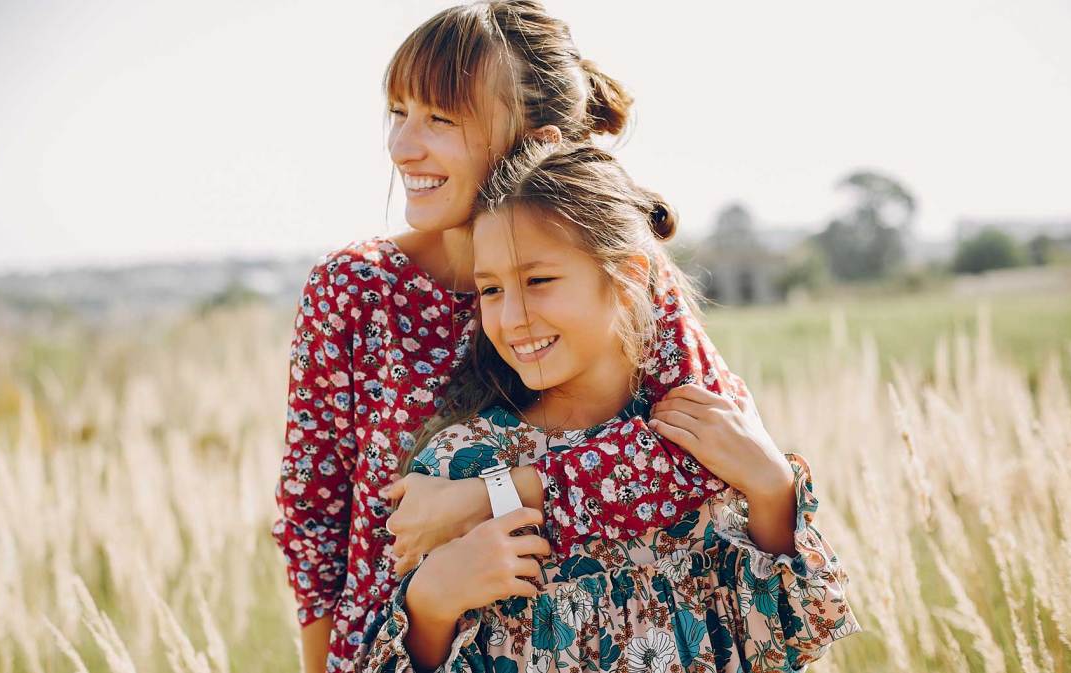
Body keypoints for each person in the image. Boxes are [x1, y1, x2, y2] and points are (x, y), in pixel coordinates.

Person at [273, 3, 749, 672]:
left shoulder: (621, 273)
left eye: (440, 118)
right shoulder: (356, 289)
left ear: (535, 142)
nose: (403, 146)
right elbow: (312, 517)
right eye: (399, 112)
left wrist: (496, 494)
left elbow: (712, 456)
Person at [356, 142, 860, 673]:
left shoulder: (694, 442)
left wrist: (774, 492)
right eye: (491, 290)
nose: (512, 317)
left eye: (538, 280)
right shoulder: (463, 464)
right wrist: (431, 603)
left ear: (628, 276)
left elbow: (788, 644)